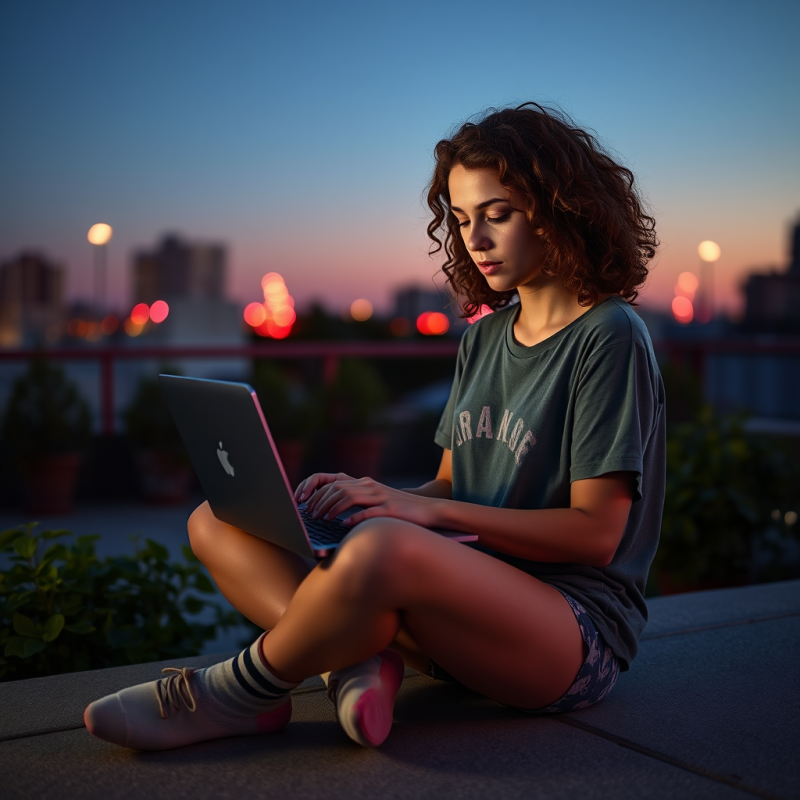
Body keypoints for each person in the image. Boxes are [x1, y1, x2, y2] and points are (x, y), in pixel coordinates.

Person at [84, 102, 664, 751]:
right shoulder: (486, 338)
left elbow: (596, 536)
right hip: (456, 610)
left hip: (569, 638)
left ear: (562, 205)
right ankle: (352, 662)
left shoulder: (609, 336)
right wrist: (371, 496)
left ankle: (238, 694)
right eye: (463, 218)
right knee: (218, 519)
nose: (475, 239)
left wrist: (403, 518)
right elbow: (452, 486)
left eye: (497, 214)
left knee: (383, 543)